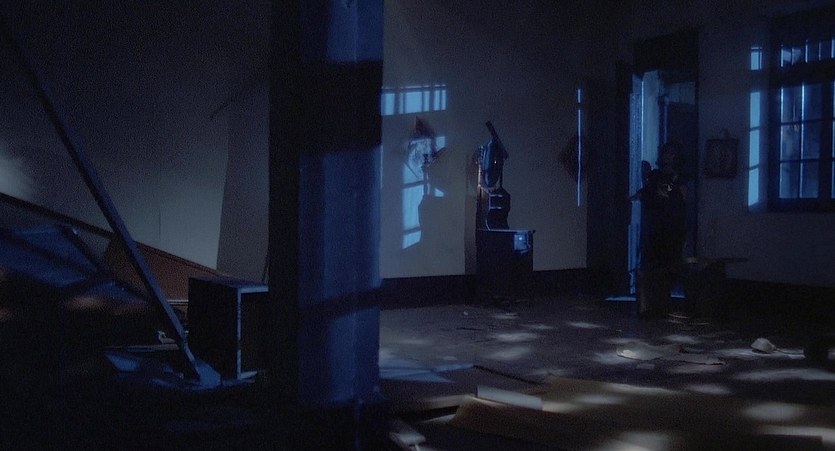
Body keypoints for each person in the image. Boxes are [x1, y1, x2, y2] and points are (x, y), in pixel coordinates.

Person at [635, 142, 688, 319]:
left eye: (672, 154)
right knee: (652, 265)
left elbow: (682, 200)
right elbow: (646, 193)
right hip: (654, 227)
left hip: (671, 228)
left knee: (668, 266)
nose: (669, 157)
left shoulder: (679, 178)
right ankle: (650, 305)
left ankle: (664, 304)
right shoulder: (655, 176)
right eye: (666, 153)